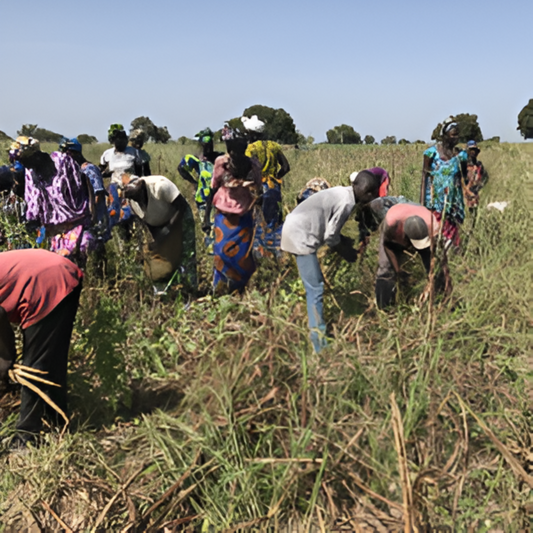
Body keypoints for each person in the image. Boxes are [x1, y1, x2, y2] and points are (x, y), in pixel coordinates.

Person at [280, 172, 381, 352]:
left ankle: (314, 332)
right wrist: (346, 251)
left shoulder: (343, 192)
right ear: (369, 193)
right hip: (300, 235)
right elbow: (330, 237)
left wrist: (343, 241)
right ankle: (319, 343)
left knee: (313, 285)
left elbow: (329, 228)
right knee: (315, 288)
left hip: (295, 227)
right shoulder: (348, 203)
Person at [0, 249, 83, 446]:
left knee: (34, 366)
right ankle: (58, 421)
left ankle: (26, 437)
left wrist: (5, 359)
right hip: (57, 273)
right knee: (52, 359)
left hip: (46, 282)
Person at [12, 136, 94, 264]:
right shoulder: (30, 172)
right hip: (52, 228)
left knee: (79, 255)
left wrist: (90, 211)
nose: (23, 164)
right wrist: (31, 219)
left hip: (75, 222)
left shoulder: (62, 162)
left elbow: (80, 187)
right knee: (56, 263)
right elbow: (32, 199)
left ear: (35, 155)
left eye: (24, 159)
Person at [203, 132, 262, 294]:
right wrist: (206, 218)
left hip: (244, 217)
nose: (236, 154)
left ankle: (241, 289)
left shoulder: (253, 165)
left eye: (239, 150)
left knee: (243, 256)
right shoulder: (221, 163)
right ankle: (220, 289)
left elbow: (259, 190)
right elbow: (213, 188)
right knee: (221, 252)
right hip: (224, 217)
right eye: (233, 150)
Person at [123, 176, 197, 293]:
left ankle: (190, 288)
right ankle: (171, 288)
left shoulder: (160, 186)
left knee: (186, 252)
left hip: (179, 215)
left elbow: (181, 206)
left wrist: (168, 230)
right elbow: (147, 220)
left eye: (138, 197)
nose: (137, 201)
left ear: (143, 190)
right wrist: (158, 239)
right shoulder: (133, 201)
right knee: (165, 256)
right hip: (160, 222)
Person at [375, 203, 440, 309]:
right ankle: (384, 307)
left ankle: (438, 299)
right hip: (394, 229)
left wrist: (432, 277)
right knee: (385, 268)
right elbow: (387, 246)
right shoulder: (392, 224)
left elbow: (435, 256)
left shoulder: (432, 225)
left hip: (421, 224)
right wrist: (398, 272)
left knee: (432, 267)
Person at [242, 115, 290, 256]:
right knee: (274, 220)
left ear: (251, 133)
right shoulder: (273, 146)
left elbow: (247, 169)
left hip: (257, 188)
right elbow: (286, 167)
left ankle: (260, 255)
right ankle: (276, 252)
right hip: (274, 187)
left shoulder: (251, 149)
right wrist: (276, 178)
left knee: (257, 220)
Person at [420, 117, 467, 247]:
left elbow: (463, 176)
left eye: (457, 135)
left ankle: (451, 262)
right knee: (435, 238)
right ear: (445, 136)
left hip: (454, 203)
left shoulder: (461, 156)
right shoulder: (431, 154)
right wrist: (422, 204)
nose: (456, 138)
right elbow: (424, 177)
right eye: (453, 135)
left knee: (452, 241)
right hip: (435, 203)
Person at [177, 128, 224, 248]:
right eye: (205, 145)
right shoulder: (197, 160)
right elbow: (181, 168)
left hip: (220, 199)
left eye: (210, 144)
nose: (208, 147)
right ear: (201, 145)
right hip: (203, 198)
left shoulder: (220, 158)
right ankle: (210, 253)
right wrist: (194, 182)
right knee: (208, 228)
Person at [58, 137, 110, 244]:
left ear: (75, 153)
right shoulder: (70, 172)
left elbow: (98, 193)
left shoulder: (89, 169)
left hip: (92, 217)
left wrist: (92, 216)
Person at [463, 140, 488, 212]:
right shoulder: (463, 164)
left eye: (474, 150)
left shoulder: (479, 165)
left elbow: (484, 178)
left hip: (476, 194)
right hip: (465, 195)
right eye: (471, 150)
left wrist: (479, 187)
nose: (473, 152)